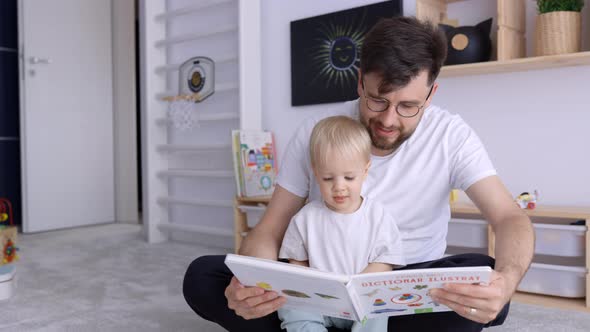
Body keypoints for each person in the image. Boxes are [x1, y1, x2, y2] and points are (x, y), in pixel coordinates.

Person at [183, 16, 535, 332]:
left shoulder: (452, 135)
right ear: (359, 83)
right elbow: (270, 229)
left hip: (404, 288)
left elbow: (509, 218)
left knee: (483, 279)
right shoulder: (316, 133)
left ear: (431, 94)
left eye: (408, 106)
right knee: (203, 277)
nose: (388, 120)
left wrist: (505, 281)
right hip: (319, 283)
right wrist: (253, 282)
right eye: (377, 100)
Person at [278, 116, 405, 332]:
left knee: (381, 305)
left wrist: (357, 289)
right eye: (328, 178)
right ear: (316, 174)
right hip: (320, 302)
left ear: (365, 171)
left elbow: (386, 262)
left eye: (349, 177)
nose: (339, 187)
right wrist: (308, 290)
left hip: (361, 301)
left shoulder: (378, 216)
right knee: (290, 304)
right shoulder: (305, 218)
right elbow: (296, 263)